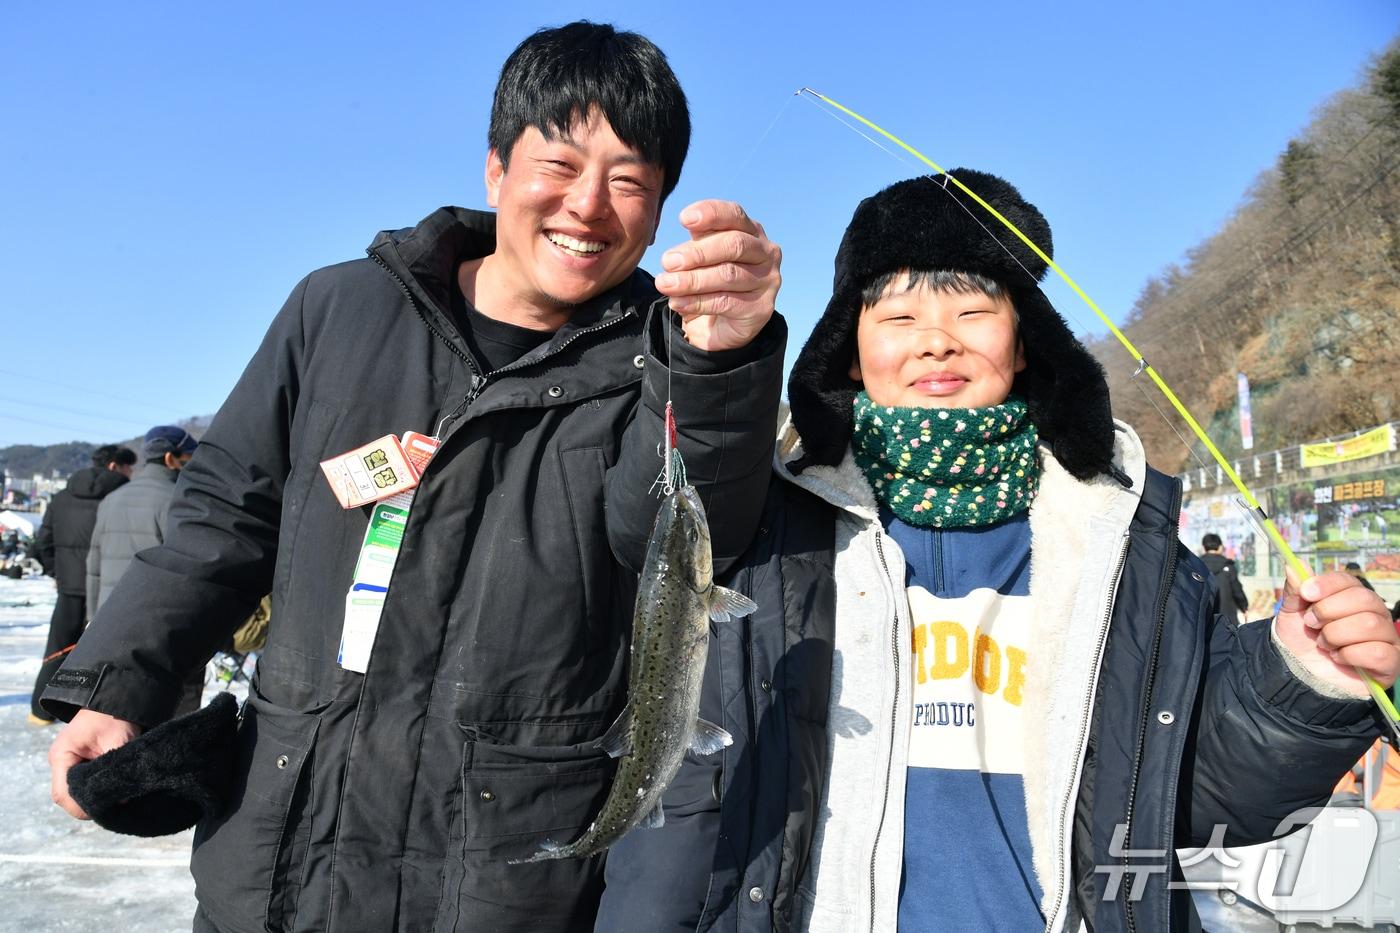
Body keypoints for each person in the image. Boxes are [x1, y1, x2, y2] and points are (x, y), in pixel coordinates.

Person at [41, 22, 784, 933]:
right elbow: (223, 521)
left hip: (501, 881)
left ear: (661, 207)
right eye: (559, 164)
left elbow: (678, 543)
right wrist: (116, 683)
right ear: (496, 169)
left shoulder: (659, 364)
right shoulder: (339, 310)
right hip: (282, 861)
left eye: (629, 181)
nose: (589, 205)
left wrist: (715, 366)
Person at [595, 171, 1399, 933]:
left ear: (1023, 344)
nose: (936, 343)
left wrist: (1302, 682)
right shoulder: (773, 528)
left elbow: (1190, 795)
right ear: (849, 350)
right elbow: (660, 515)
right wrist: (711, 364)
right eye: (898, 319)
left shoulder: (1124, 543)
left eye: (973, 311)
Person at [86, 425, 202, 716]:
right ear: (171, 459)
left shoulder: (112, 499)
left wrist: (92, 619)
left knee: (117, 711)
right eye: (189, 456)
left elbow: (94, 565)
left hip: (109, 621)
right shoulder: (181, 500)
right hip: (160, 630)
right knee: (171, 714)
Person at [27, 443, 135, 725]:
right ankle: (91, 716)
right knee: (103, 653)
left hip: (69, 587)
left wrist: (58, 573)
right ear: (114, 465)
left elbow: (43, 542)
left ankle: (41, 712)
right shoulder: (123, 496)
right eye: (128, 467)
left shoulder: (62, 497)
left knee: (57, 649)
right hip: (108, 586)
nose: (130, 473)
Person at [1200, 531, 1249, 621]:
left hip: (1203, 619)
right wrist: (1244, 607)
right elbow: (1237, 590)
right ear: (1220, 547)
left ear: (1203, 547)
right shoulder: (1228, 565)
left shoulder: (1197, 566)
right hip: (1226, 619)